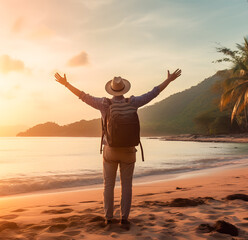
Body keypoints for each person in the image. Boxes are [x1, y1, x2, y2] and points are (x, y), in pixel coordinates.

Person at [54, 69, 182, 228]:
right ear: (124, 89)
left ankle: (108, 218)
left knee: (108, 185)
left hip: (110, 150)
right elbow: (153, 93)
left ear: (111, 90)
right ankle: (124, 218)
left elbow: (83, 96)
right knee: (126, 185)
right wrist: (168, 80)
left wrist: (66, 84)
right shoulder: (133, 102)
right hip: (129, 151)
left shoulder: (104, 104)